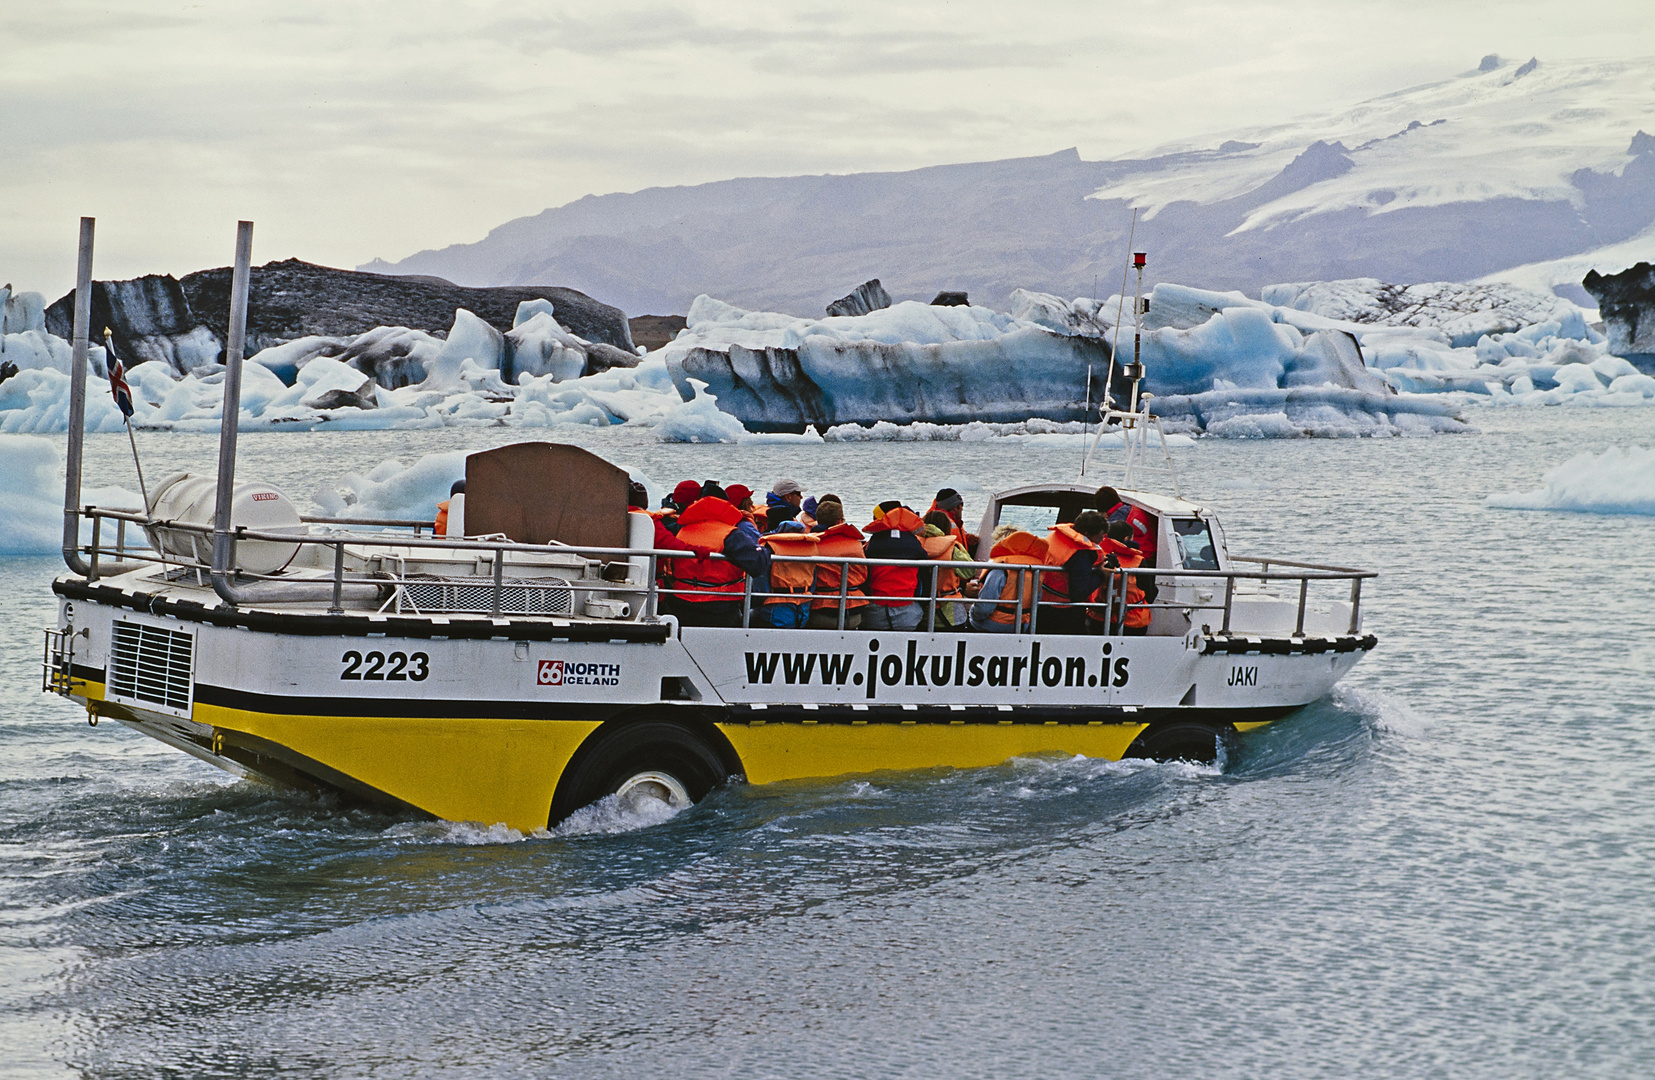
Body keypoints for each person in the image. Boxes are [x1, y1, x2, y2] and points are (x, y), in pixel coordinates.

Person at [662, 491, 772, 627]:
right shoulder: (729, 534)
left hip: (682, 602)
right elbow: (757, 564)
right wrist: (765, 550)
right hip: (720, 606)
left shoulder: (682, 533)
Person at [1037, 510, 1109, 635]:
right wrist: (1101, 574)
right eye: (1100, 536)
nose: (1102, 539)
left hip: (1041, 604)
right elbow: (1079, 593)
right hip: (1064, 611)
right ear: (1087, 534)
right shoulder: (1080, 554)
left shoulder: (1055, 536)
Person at [861, 504, 928, 631]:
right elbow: (926, 579)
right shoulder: (915, 544)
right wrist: (924, 603)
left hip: (874, 613)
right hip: (908, 615)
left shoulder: (873, 543)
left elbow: (864, 577)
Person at [968, 529, 1048, 633]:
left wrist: (972, 613)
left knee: (970, 619)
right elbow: (1036, 600)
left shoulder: (1000, 569)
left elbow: (984, 608)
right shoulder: (1035, 569)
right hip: (1023, 625)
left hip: (994, 624)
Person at [808, 497, 868, 629]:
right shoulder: (856, 544)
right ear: (840, 521)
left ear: (818, 520)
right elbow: (864, 574)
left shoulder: (811, 545)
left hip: (821, 612)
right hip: (853, 614)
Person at [1086, 520, 1149, 635]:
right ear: (1126, 539)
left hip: (1099, 617)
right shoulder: (1138, 561)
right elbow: (1148, 588)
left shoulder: (1097, 555)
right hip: (1132, 619)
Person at [920, 510, 975, 627]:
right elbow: (970, 571)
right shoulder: (952, 547)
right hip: (950, 614)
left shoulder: (914, 544)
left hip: (920, 612)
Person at [754, 528, 818, 628]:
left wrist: (759, 601)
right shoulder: (811, 549)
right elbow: (813, 580)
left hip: (775, 610)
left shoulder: (770, 548)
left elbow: (761, 582)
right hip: (803, 609)